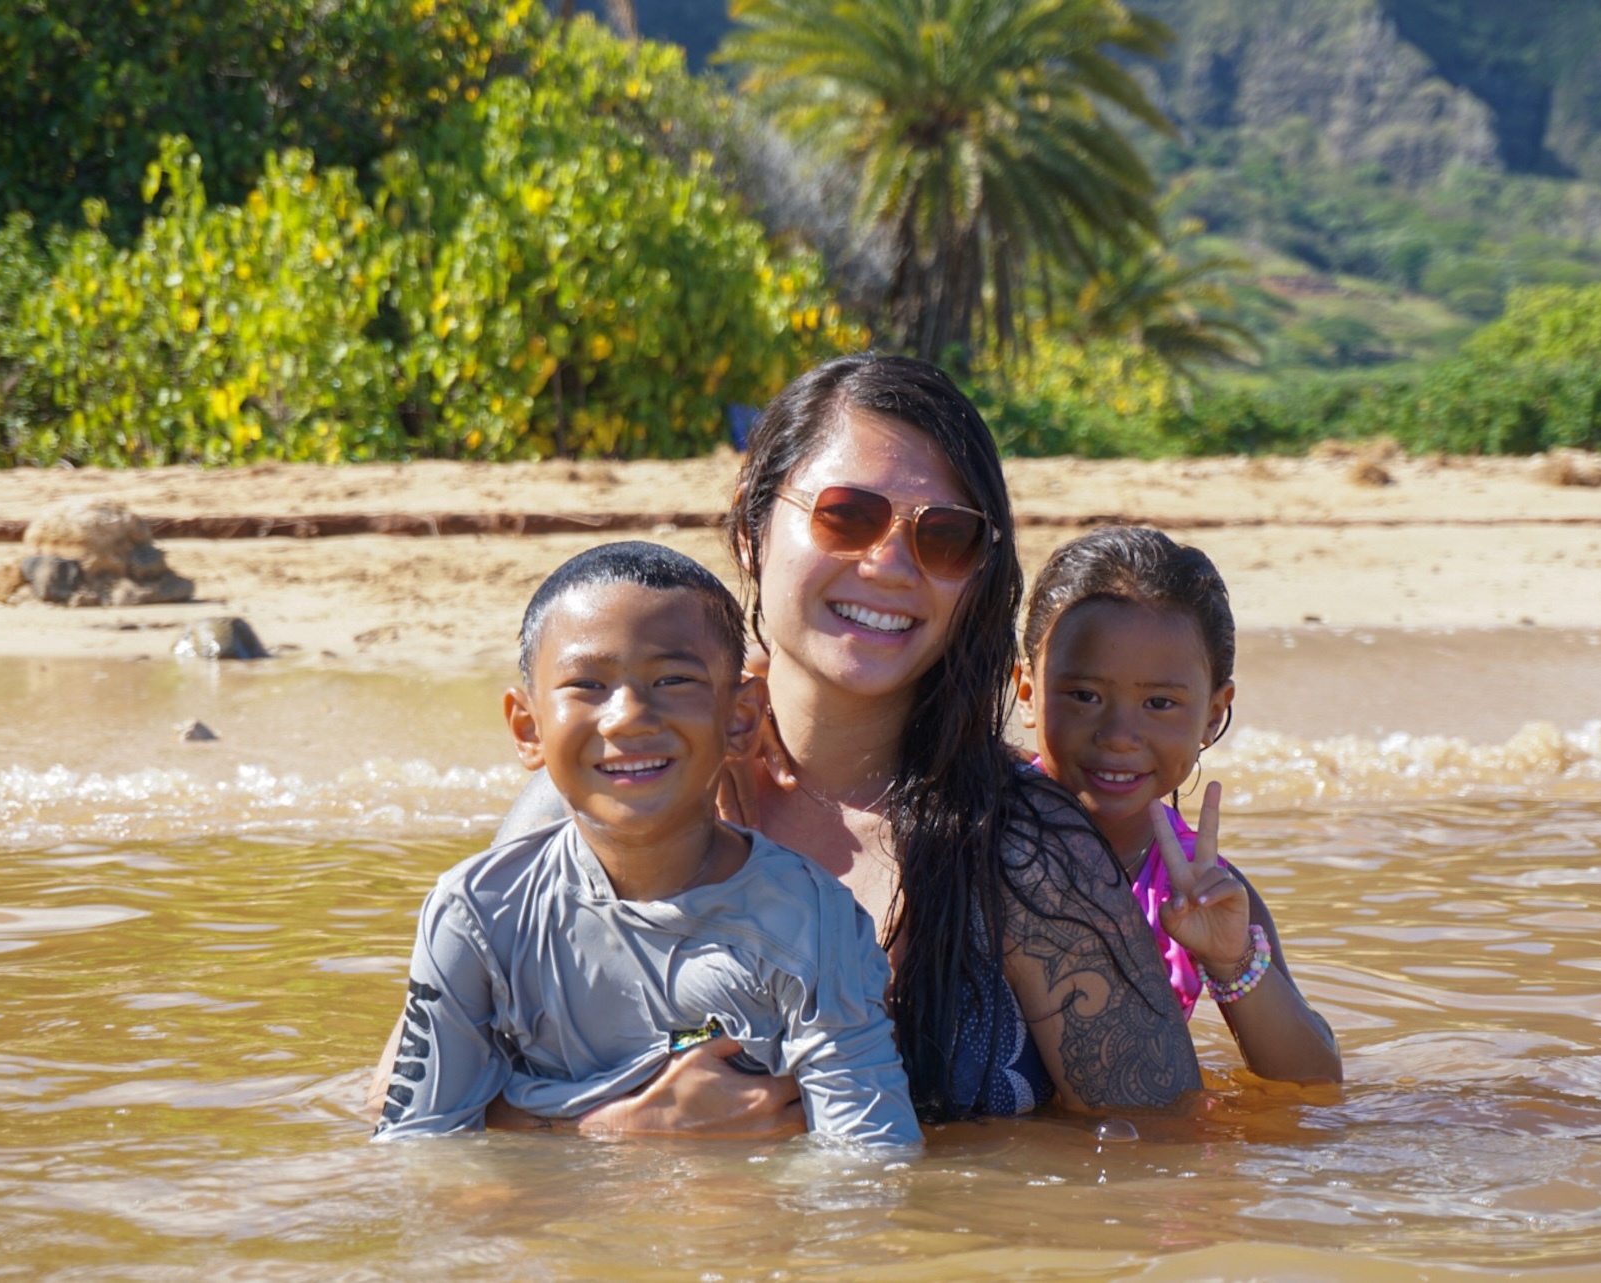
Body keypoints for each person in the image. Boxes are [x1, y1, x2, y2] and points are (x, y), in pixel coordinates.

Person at [476, 354, 1205, 1129]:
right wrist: (613, 1134)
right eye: (846, 515)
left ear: (977, 579)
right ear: (753, 527)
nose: (889, 564)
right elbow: (408, 1101)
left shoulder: (1025, 852)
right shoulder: (612, 778)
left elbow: (1164, 1148)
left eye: (945, 537)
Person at [374, 541, 919, 1145]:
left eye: (673, 679)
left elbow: (869, 1171)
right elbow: (419, 1155)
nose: (629, 716)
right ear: (527, 728)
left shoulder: (813, 926)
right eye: (587, 684)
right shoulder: (477, 916)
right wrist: (627, 1132)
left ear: (740, 719)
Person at [1014, 527, 1341, 1083]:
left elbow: (1313, 1081)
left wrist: (1230, 960)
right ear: (1027, 693)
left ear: (1214, 714)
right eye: (1084, 696)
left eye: (1160, 703)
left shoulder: (1200, 888)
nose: (1119, 734)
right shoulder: (974, 822)